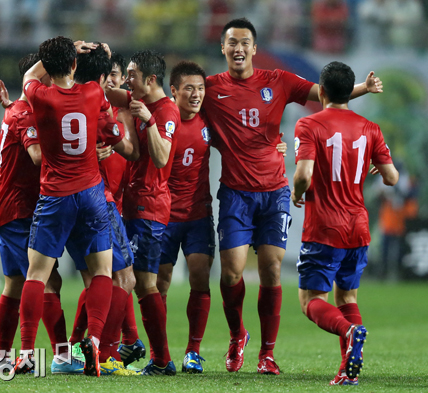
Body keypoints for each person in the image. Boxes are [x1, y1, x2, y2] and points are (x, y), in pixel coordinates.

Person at [202, 17, 384, 374]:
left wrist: (362, 86)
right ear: (223, 48)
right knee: (231, 274)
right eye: (232, 43)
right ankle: (238, 335)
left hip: (274, 193)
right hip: (235, 194)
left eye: (244, 43)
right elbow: (182, 109)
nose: (238, 49)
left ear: (254, 48)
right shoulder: (209, 88)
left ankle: (267, 354)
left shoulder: (278, 81)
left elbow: (326, 94)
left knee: (271, 271)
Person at [157, 60, 288, 374]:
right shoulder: (162, 119)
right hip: (160, 215)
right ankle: (158, 354)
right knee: (157, 284)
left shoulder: (207, 122)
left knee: (204, 278)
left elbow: (243, 138)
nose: (196, 94)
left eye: (201, 88)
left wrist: (273, 145)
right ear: (173, 90)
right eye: (189, 88)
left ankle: (196, 352)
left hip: (199, 214)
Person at [292, 61, 399, 385]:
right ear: (349, 92)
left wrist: (298, 192)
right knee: (347, 298)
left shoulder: (309, 125)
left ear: (321, 91)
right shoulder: (370, 128)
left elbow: (304, 175)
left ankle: (350, 331)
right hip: (358, 227)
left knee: (311, 301)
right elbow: (392, 177)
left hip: (324, 227)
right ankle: (347, 372)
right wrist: (379, 167)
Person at [13, 36, 113, 378]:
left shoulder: (40, 96)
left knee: (37, 274)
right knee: (101, 272)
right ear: (74, 64)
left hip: (54, 196)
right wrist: (87, 51)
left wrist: (62, 49)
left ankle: (26, 353)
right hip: (90, 193)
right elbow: (104, 108)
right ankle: (95, 344)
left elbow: (29, 75)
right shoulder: (93, 94)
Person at [0, 53, 84, 375]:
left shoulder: (20, 109)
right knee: (48, 280)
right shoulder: (27, 113)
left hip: (11, 206)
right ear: (37, 80)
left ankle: (1, 356)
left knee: (15, 284)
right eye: (49, 75)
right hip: (18, 210)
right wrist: (80, 157)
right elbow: (37, 156)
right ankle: (60, 355)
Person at [66, 44, 140, 376]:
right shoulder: (100, 107)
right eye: (106, 74)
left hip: (71, 201)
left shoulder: (70, 98)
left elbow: (131, 150)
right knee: (123, 279)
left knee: (96, 282)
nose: (111, 81)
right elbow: (131, 150)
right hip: (99, 201)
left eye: (117, 76)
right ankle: (107, 354)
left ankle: (72, 348)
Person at [106, 50, 180, 376]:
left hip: (148, 206)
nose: (126, 80)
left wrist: (148, 120)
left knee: (140, 282)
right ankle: (148, 353)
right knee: (131, 279)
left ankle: (156, 357)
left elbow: (162, 158)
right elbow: (107, 91)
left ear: (150, 80)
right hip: (135, 203)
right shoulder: (138, 99)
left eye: (132, 75)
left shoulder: (165, 112)